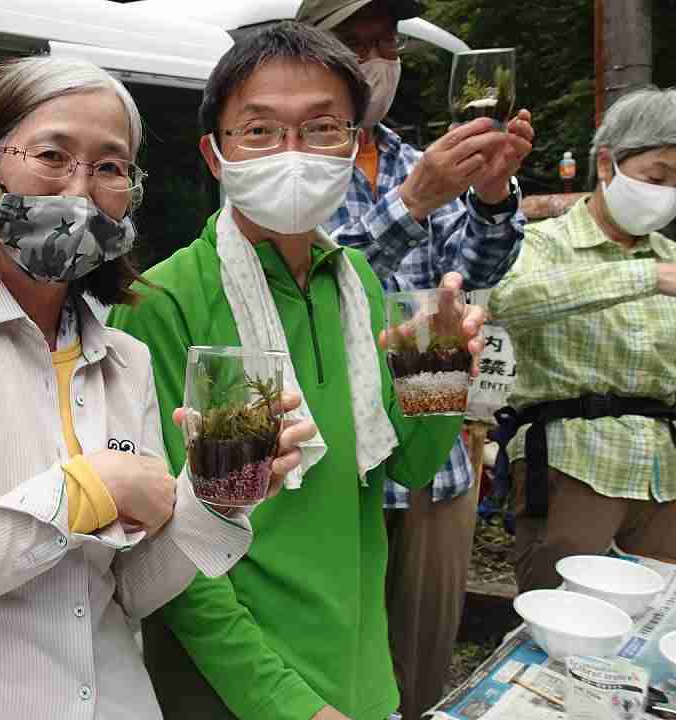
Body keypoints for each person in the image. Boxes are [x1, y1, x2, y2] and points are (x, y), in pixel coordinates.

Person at [0, 56, 316, 720]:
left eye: (111, 166)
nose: (82, 188)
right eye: (54, 154)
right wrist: (93, 488)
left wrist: (215, 501)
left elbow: (126, 591)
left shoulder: (125, 358)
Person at [108, 22, 485, 720]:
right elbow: (164, 540)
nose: (293, 154)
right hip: (232, 688)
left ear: (353, 143)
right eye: (259, 131)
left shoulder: (358, 280)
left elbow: (404, 467)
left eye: (321, 129)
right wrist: (287, 706)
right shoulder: (162, 302)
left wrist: (441, 378)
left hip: (358, 670)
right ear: (215, 155)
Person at [294, 2, 534, 716]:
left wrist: (492, 197)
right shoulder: (288, 162)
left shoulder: (411, 155)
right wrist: (412, 201)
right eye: (357, 42)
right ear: (312, 51)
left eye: (388, 42)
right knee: (337, 655)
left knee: (424, 653)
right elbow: (315, 281)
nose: (379, 57)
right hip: (335, 459)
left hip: (437, 447)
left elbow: (480, 274)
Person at [489, 87, 676, 592]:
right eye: (658, 177)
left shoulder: (668, 254)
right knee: (566, 617)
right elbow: (510, 302)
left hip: (665, 472)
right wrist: (644, 278)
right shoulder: (542, 240)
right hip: (574, 463)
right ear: (608, 165)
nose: (668, 193)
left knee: (656, 629)